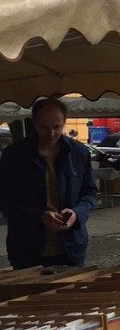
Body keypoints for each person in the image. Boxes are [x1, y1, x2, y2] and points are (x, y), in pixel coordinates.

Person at [0, 97, 97, 269]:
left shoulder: (79, 153)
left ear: (64, 123)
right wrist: (40, 216)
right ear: (35, 124)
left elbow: (89, 193)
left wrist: (77, 213)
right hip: (27, 251)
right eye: (44, 127)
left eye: (56, 127)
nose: (51, 133)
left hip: (71, 249)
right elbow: (6, 202)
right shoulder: (14, 155)